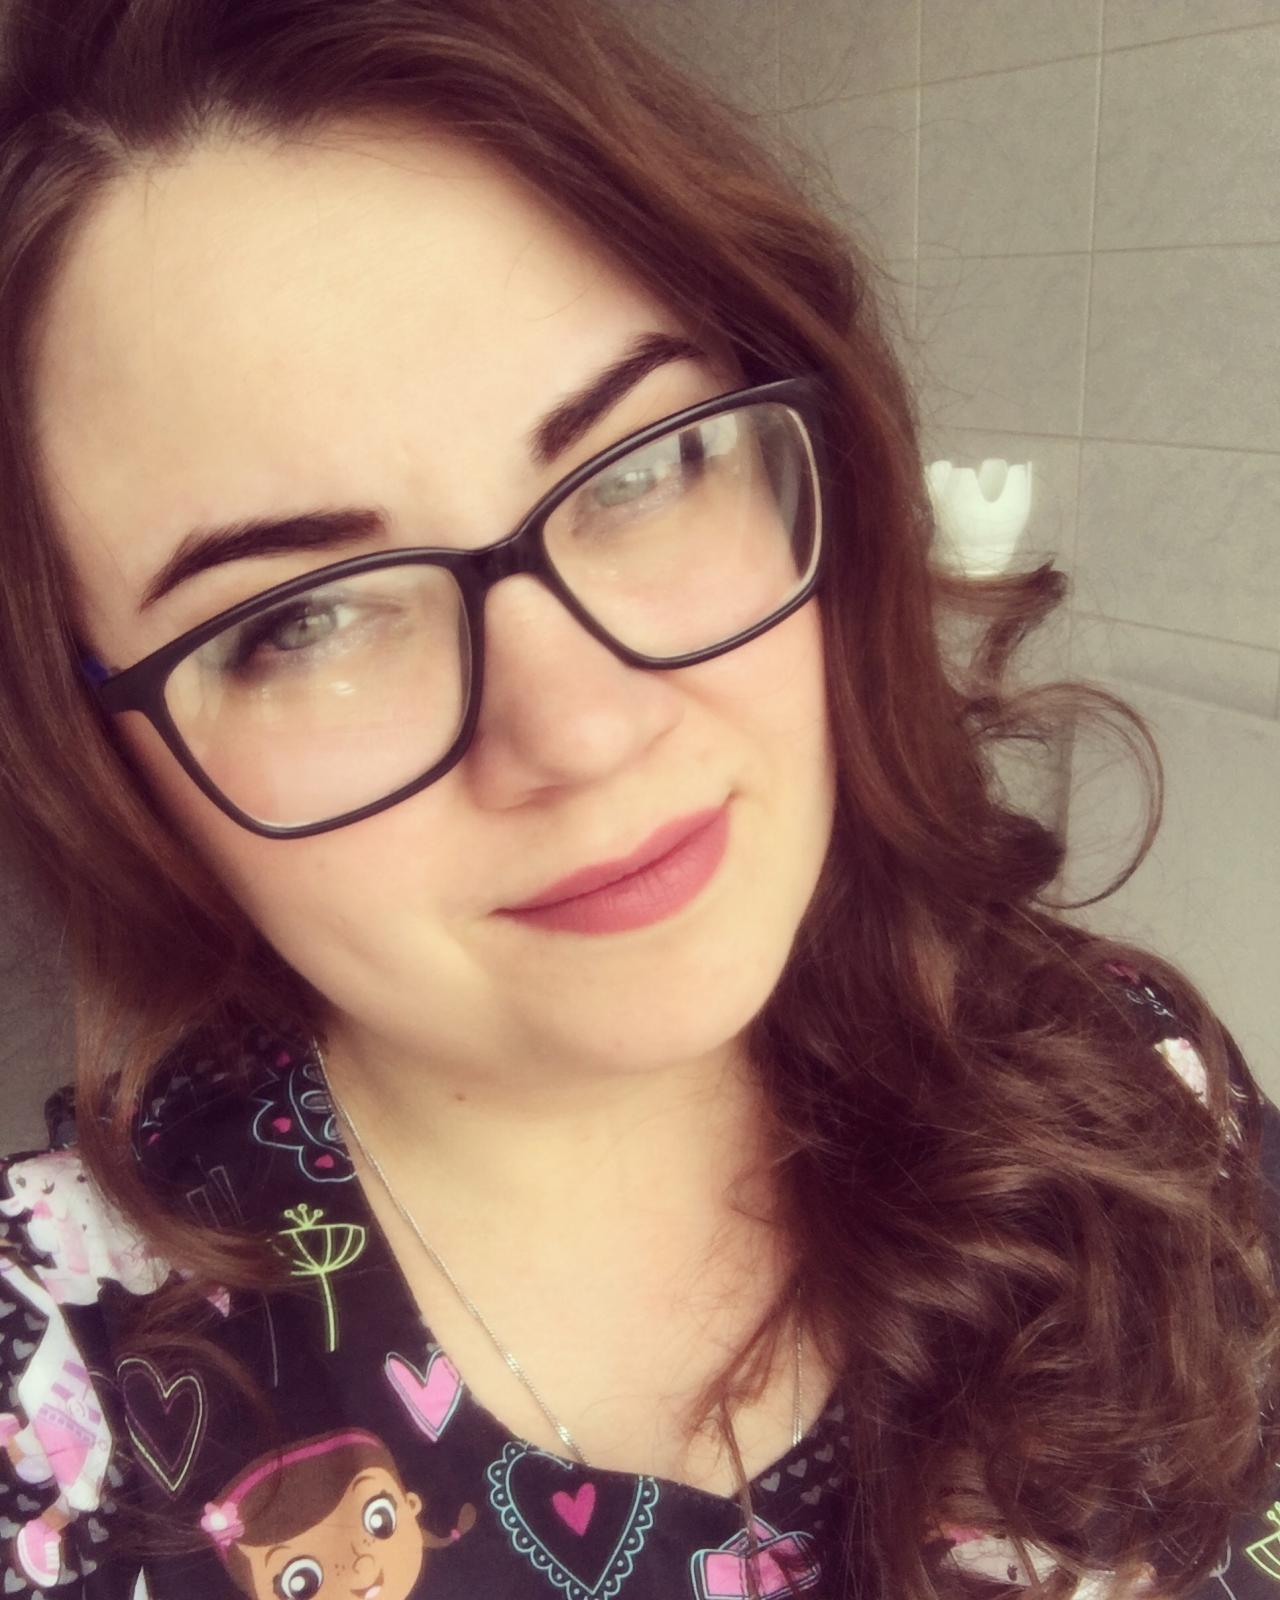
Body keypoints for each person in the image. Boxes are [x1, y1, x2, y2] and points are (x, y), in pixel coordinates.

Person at [0, 0, 1275, 1595]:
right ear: (102, 766)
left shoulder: (1135, 1093)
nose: (586, 729)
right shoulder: (59, 1404)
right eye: (299, 620)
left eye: (639, 467)